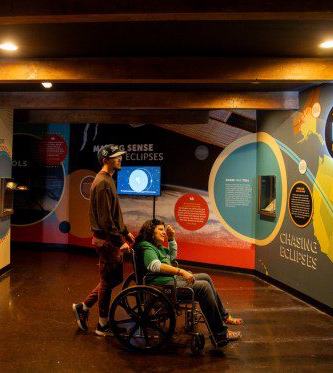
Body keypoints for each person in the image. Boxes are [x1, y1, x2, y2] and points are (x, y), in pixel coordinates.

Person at [135, 219, 242, 346]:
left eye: (163, 229)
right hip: (161, 287)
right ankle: (220, 334)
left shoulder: (157, 247)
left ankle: (224, 316)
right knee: (204, 287)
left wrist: (171, 239)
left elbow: (171, 258)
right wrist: (181, 271)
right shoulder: (146, 246)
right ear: (150, 232)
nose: (163, 232)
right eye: (160, 229)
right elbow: (154, 265)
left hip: (169, 281)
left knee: (205, 277)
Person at [73, 144, 135, 336]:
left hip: (110, 239)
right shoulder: (102, 183)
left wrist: (124, 232)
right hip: (107, 241)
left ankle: (84, 307)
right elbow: (105, 219)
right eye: (116, 157)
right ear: (105, 160)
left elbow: (113, 213)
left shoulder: (107, 180)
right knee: (108, 281)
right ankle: (102, 324)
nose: (120, 159)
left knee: (112, 278)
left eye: (120, 156)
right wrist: (119, 241)